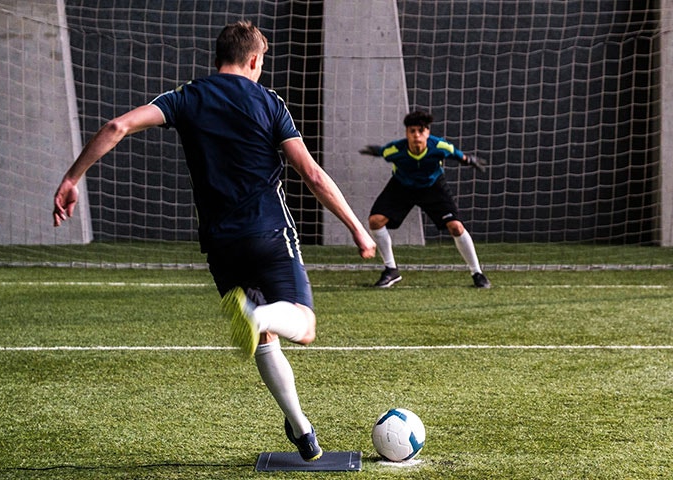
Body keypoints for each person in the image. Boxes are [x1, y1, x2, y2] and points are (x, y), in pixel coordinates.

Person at [52, 21, 375, 462]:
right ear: (255, 60)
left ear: (217, 56)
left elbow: (116, 126)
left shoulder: (186, 97)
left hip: (220, 245)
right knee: (303, 325)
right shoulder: (269, 102)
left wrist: (72, 179)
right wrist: (357, 228)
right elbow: (313, 175)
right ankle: (258, 314)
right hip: (268, 233)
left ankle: (302, 431)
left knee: (264, 339)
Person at [359, 110, 491, 289]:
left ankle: (477, 273)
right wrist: (374, 151)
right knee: (375, 221)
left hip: (433, 186)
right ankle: (391, 270)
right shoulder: (396, 150)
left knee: (456, 226)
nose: (416, 135)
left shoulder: (439, 146)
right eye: (412, 131)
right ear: (406, 133)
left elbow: (458, 155)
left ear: (427, 132)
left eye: (420, 131)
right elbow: (383, 152)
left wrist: (470, 160)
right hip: (402, 186)